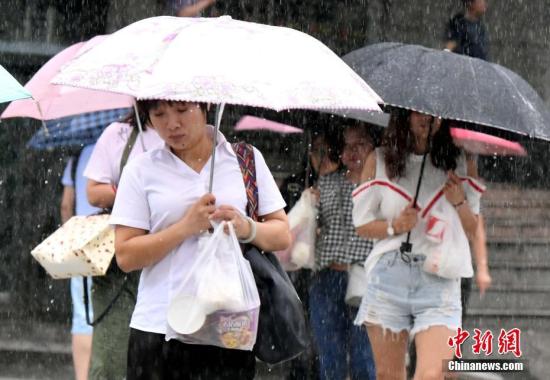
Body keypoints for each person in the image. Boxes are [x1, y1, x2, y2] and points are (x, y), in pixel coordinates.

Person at [109, 100, 290, 379]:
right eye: (159, 115)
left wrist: (247, 228)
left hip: (228, 325)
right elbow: (125, 255)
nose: (171, 124)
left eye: (182, 111)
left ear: (205, 106)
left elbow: (281, 234)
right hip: (159, 327)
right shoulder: (141, 169)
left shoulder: (244, 159)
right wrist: (185, 227)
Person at [353, 109, 485, 379]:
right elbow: (363, 225)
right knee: (389, 375)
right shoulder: (378, 160)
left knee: (433, 374)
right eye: (419, 113)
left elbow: (473, 229)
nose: (428, 119)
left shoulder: (461, 162)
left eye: (436, 114)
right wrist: (395, 226)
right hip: (389, 276)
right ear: (404, 115)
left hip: (439, 278)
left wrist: (459, 201)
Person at [83, 116, 163, 380]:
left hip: (168, 257)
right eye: (161, 112)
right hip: (118, 259)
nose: (172, 121)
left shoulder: (194, 139)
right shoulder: (118, 134)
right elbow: (94, 192)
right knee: (112, 357)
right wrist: (134, 191)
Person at [309, 122, 376, 380]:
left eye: (360, 144)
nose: (352, 152)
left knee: (364, 360)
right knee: (330, 358)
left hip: (366, 279)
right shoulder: (325, 183)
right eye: (347, 146)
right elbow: (311, 228)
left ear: (373, 147)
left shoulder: (382, 188)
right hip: (326, 278)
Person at [60, 144, 101, 380]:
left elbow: (67, 204)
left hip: (80, 239)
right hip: (113, 237)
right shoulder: (123, 147)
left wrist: (70, 234)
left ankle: (83, 377)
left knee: (83, 318)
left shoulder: (77, 155)